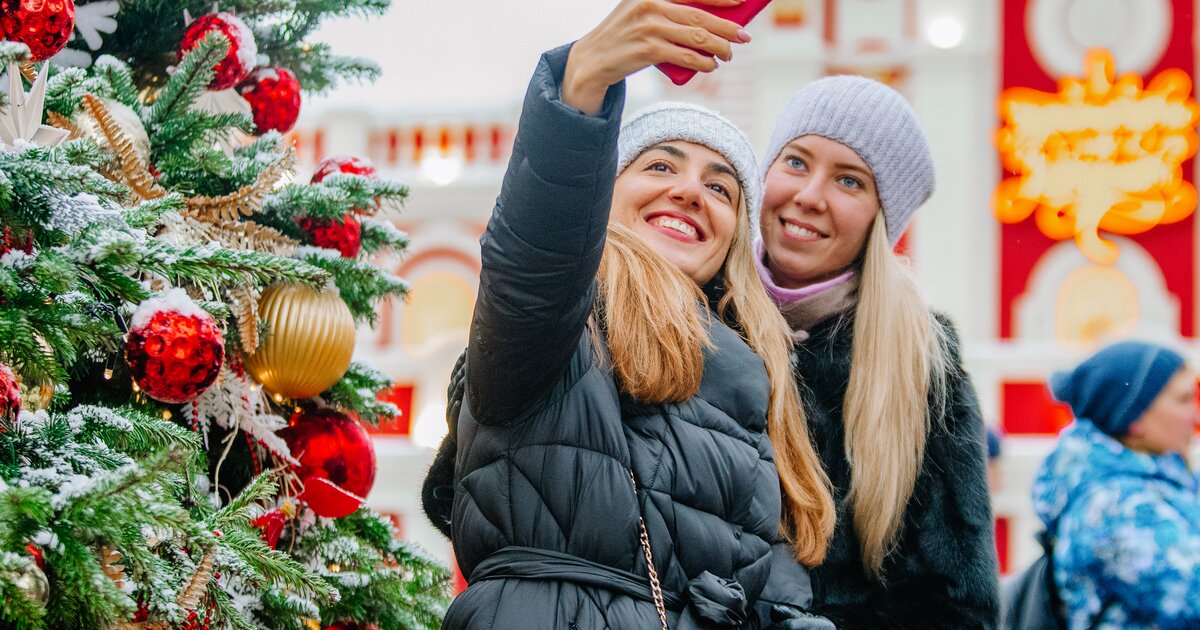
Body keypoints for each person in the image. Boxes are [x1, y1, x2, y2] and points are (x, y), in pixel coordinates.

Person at [428, 1, 836, 627]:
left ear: (733, 237)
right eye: (660, 165)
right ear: (604, 194)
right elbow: (534, 252)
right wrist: (583, 81)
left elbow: (774, 584)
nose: (690, 191)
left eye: (721, 187)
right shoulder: (561, 321)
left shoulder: (757, 378)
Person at [754, 75, 1001, 627]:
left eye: (849, 180)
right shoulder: (693, 317)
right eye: (795, 161)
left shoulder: (920, 362)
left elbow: (955, 605)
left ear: (879, 217)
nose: (809, 196)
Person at [1031, 340, 1200, 629]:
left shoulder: (1156, 480)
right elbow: (1191, 595)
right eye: (1183, 400)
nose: (1195, 416)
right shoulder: (1112, 507)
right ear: (1135, 417)